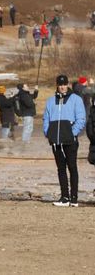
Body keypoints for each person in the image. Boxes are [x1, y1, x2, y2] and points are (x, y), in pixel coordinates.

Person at [44, 75, 86, 207]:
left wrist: (71, 133)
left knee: (72, 167)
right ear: (57, 85)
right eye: (60, 84)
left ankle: (74, 197)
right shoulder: (50, 101)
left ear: (67, 84)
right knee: (61, 168)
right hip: (56, 141)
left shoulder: (76, 99)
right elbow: (46, 119)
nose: (62, 87)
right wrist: (48, 133)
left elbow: (81, 119)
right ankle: (64, 197)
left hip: (70, 140)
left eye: (64, 84)